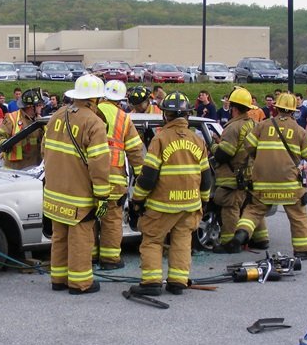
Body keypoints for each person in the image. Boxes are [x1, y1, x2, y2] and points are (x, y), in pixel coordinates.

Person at [128, 91, 212, 296]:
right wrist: (204, 200)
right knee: (182, 241)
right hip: (190, 205)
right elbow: (206, 176)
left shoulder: (160, 139)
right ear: (187, 115)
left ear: (165, 115)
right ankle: (177, 282)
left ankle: (151, 283)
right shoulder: (197, 140)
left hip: (163, 205)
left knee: (153, 240)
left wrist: (137, 199)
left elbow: (148, 176)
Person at [42, 74, 110, 295]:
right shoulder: (94, 122)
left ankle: (59, 279)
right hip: (79, 195)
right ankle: (81, 283)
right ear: (94, 100)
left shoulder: (56, 116)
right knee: (81, 238)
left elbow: (45, 151)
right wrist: (102, 197)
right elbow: (99, 165)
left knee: (59, 236)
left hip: (54, 193)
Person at [232, 92, 307, 259]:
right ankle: (304, 250)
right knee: (298, 215)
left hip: (262, 181)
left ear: (276, 108)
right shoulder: (298, 130)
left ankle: (242, 233)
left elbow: (248, 146)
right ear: (294, 111)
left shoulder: (262, 126)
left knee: (253, 210)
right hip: (288, 183)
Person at [211, 87, 269, 253]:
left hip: (234, 176)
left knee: (230, 207)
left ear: (234, 108)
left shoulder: (233, 127)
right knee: (252, 207)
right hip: (252, 175)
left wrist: (214, 146)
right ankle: (261, 239)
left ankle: (230, 243)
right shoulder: (254, 125)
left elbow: (225, 154)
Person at [94, 80, 144, 270]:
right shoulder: (124, 118)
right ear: (121, 99)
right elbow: (135, 151)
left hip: (89, 177)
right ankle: (110, 259)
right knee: (111, 218)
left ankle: (87, 257)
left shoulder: (91, 112)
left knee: (91, 216)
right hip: (113, 180)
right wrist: (140, 176)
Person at [0, 88, 44, 170]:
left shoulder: (40, 120)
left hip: (35, 167)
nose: (42, 107)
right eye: (39, 105)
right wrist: (6, 145)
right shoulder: (12, 118)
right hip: (16, 169)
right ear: (31, 107)